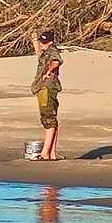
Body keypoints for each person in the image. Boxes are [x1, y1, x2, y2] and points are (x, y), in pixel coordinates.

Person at [30, 30, 63, 161]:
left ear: (50, 42)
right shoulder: (46, 51)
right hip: (47, 87)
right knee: (51, 120)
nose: (41, 44)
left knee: (48, 119)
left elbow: (56, 61)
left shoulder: (52, 51)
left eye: (43, 42)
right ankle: (52, 154)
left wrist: (48, 72)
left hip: (47, 87)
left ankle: (44, 153)